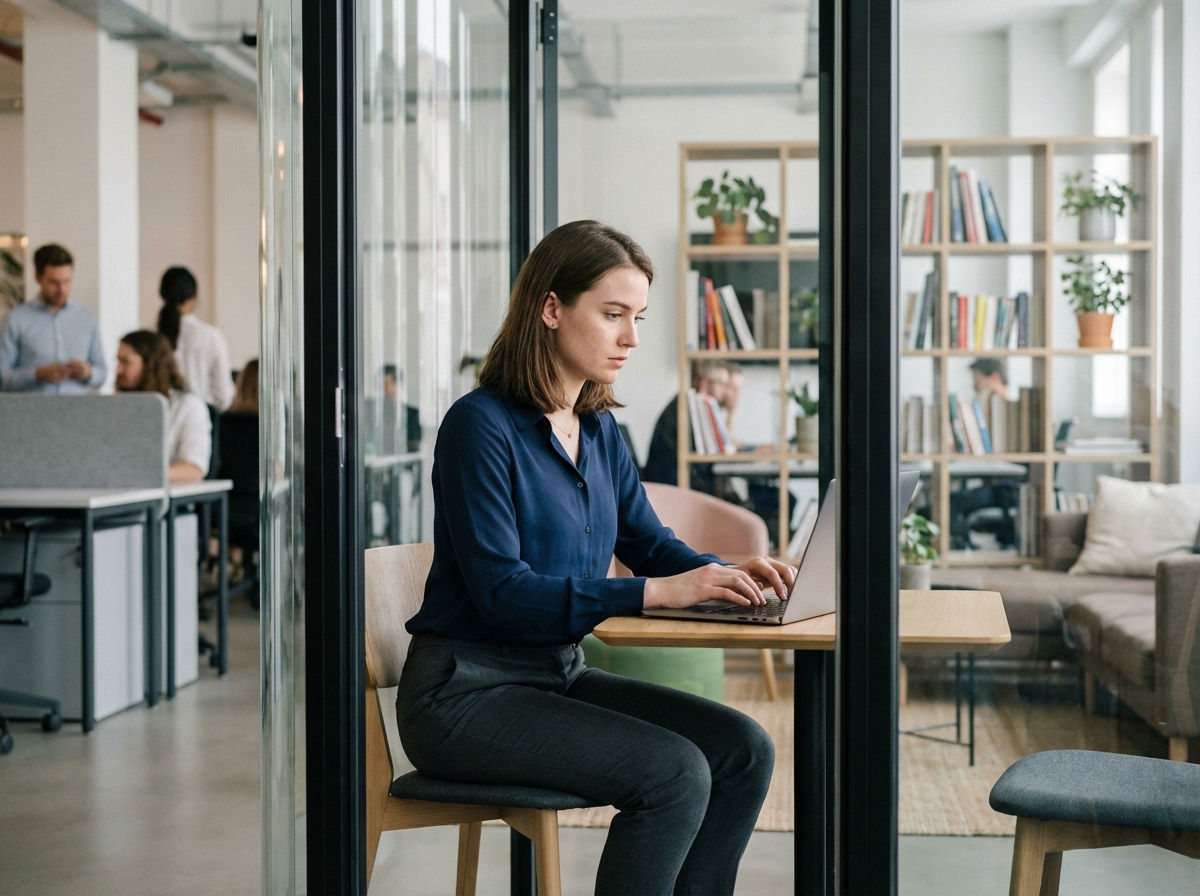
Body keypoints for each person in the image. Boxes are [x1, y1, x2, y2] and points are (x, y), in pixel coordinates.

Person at [397, 220, 794, 896]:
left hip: (557, 673)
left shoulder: (602, 428)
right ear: (551, 308)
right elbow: (502, 592)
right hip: (463, 696)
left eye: (637, 317)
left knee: (743, 750)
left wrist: (722, 572)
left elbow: (647, 544)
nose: (631, 338)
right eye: (613, 314)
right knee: (674, 773)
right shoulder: (479, 426)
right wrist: (655, 592)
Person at [0, 243, 106, 393]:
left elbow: (102, 373)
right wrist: (36, 374)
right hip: (32, 407)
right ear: (38, 278)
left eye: (67, 281)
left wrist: (89, 372)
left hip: (77, 407)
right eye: (54, 282)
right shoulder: (15, 320)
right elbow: (2, 378)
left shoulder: (88, 319)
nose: (62, 290)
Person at [115, 330, 211, 483]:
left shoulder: (188, 406)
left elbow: (194, 470)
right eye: (118, 361)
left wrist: (136, 475)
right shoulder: (117, 407)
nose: (118, 370)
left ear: (150, 364)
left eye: (125, 362)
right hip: (117, 490)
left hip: (168, 494)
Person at [641, 359, 733, 491]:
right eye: (722, 384)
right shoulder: (686, 408)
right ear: (704, 384)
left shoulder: (692, 405)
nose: (726, 391)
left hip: (678, 485)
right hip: (671, 488)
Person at [157, 266, 234, 411]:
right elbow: (224, 396)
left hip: (162, 416)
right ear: (193, 298)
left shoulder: (155, 337)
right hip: (203, 415)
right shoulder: (211, 335)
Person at [219, 361, 260, 584]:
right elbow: (278, 472)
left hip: (222, 510)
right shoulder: (269, 425)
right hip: (257, 510)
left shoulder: (222, 421)